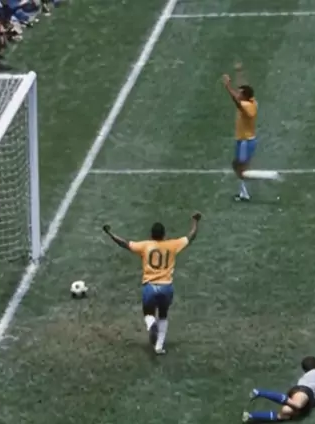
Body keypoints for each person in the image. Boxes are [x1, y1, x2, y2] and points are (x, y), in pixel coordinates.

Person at [102, 213, 202, 354]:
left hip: (150, 287)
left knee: (148, 312)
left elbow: (124, 243)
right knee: (163, 314)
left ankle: (151, 324)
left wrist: (110, 233)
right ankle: (159, 346)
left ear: (151, 235)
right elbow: (190, 237)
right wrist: (195, 221)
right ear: (164, 235)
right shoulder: (172, 245)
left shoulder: (145, 246)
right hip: (166, 287)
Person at [242, 356, 315, 424]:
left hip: (299, 391)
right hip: (306, 393)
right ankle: (260, 392)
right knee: (297, 405)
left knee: (284, 414)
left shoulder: (305, 377)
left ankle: (251, 416)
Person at [222, 62, 258, 202]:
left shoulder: (247, 106)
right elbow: (244, 87)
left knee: (241, 167)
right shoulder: (251, 100)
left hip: (245, 141)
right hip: (243, 140)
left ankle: (244, 192)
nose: (238, 94)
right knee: (237, 165)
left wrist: (227, 86)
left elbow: (236, 101)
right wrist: (239, 73)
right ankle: (244, 190)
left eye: (240, 94)